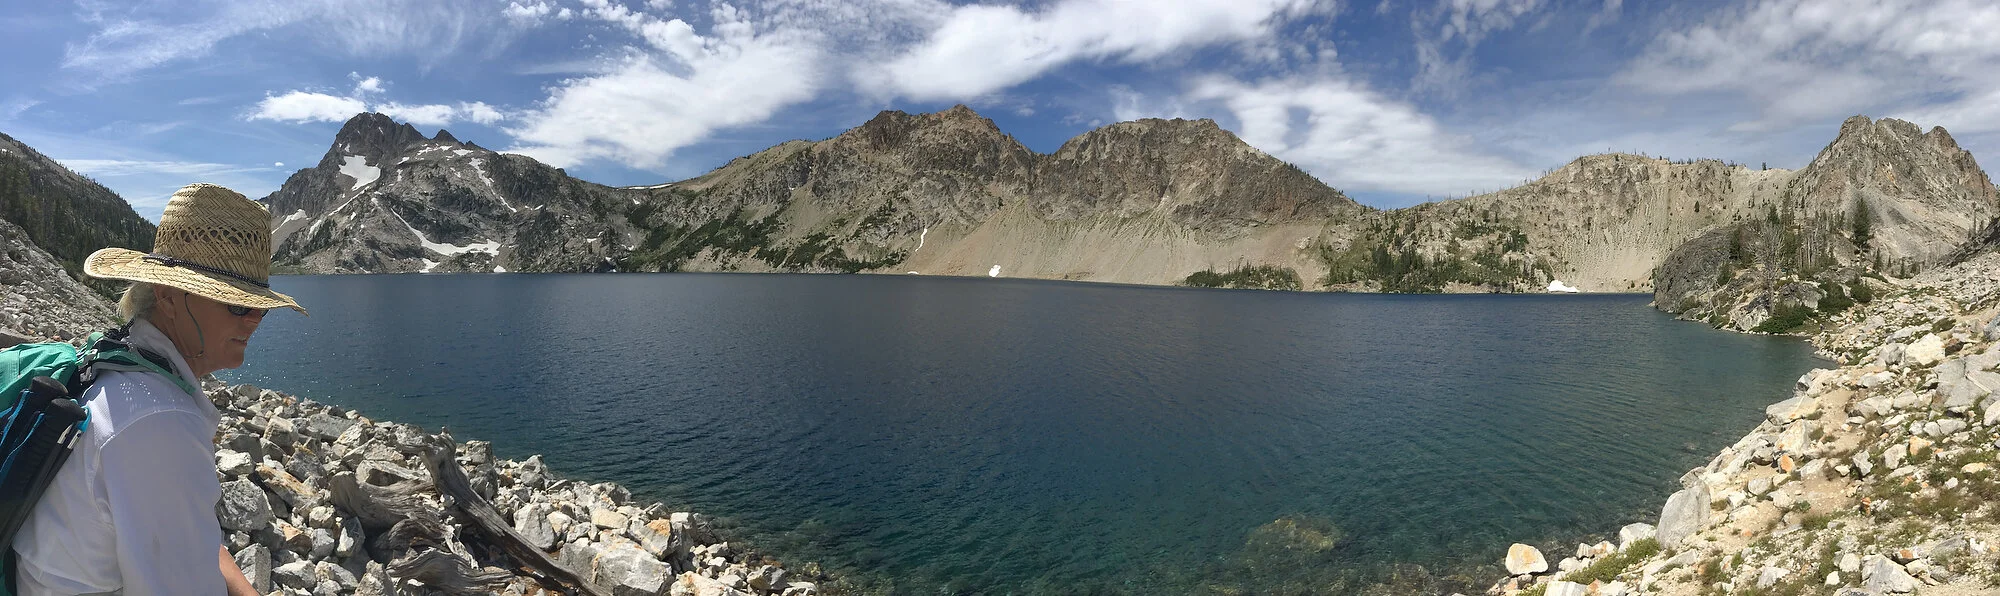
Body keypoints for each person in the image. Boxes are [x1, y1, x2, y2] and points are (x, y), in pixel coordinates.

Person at [11, 183, 306, 595]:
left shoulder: (116, 360)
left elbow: (183, 542)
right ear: (169, 295)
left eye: (260, 305)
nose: (255, 319)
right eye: (238, 304)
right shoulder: (160, 422)